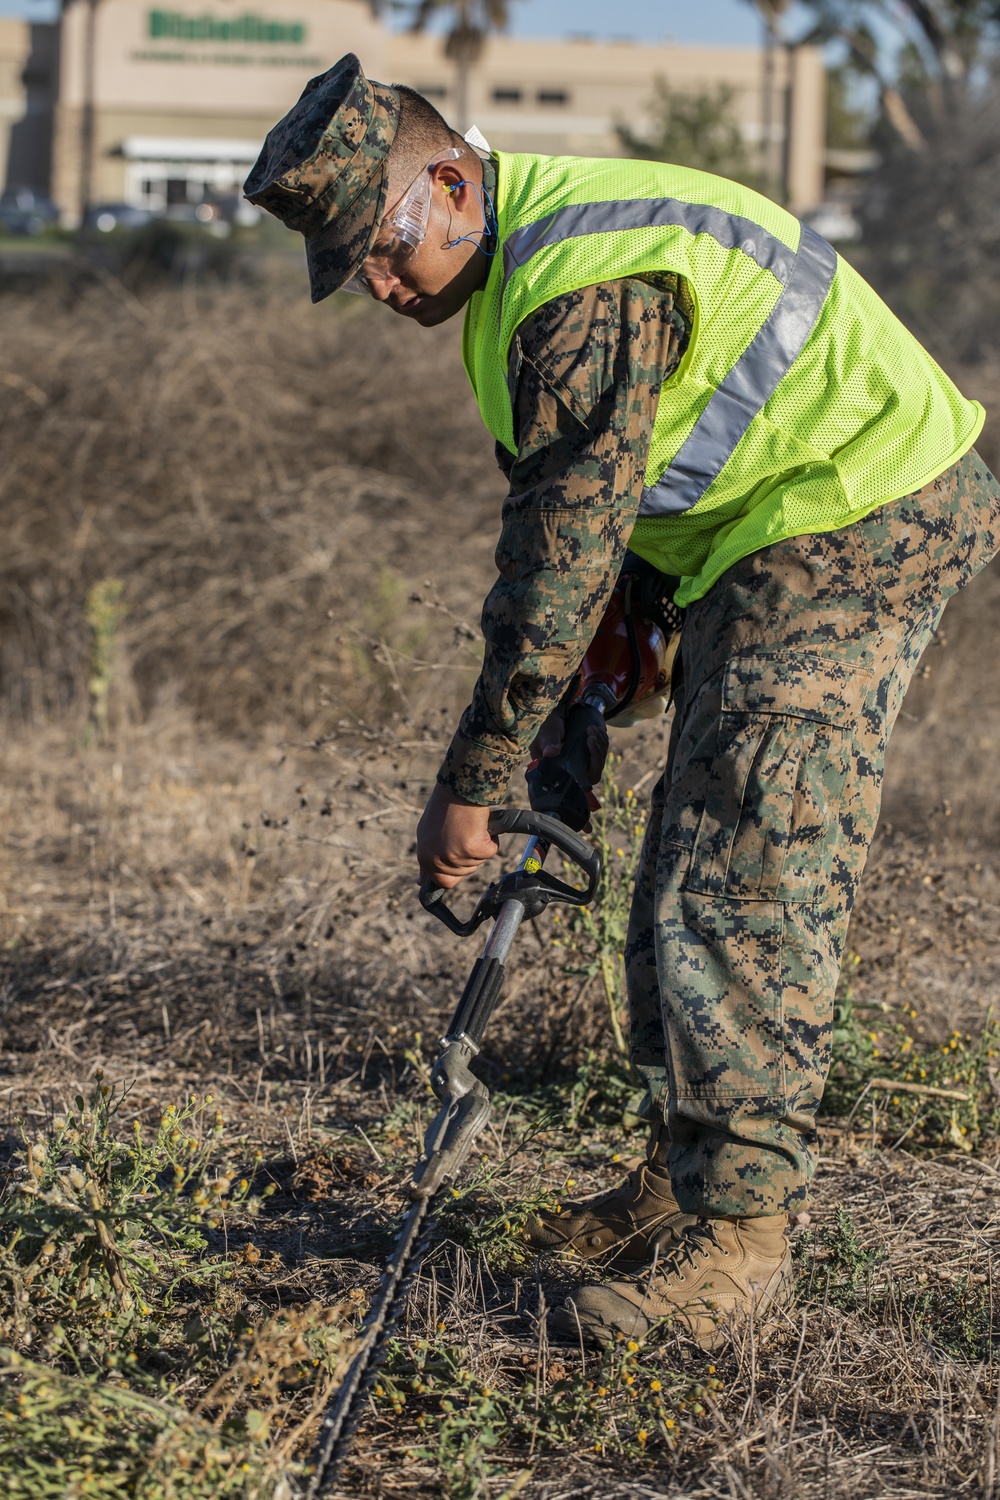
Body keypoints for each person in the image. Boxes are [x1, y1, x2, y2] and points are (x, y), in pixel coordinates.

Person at [245, 54, 1000, 1348]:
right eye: (353, 272)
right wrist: (571, 736)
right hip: (753, 538)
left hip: (858, 514)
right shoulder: (506, 287)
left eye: (385, 248)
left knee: (741, 866)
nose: (376, 285)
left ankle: (741, 1250)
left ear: (449, 178)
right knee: (676, 870)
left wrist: (477, 780)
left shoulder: (577, 281)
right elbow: (606, 554)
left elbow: (557, 570)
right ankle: (677, 1185)